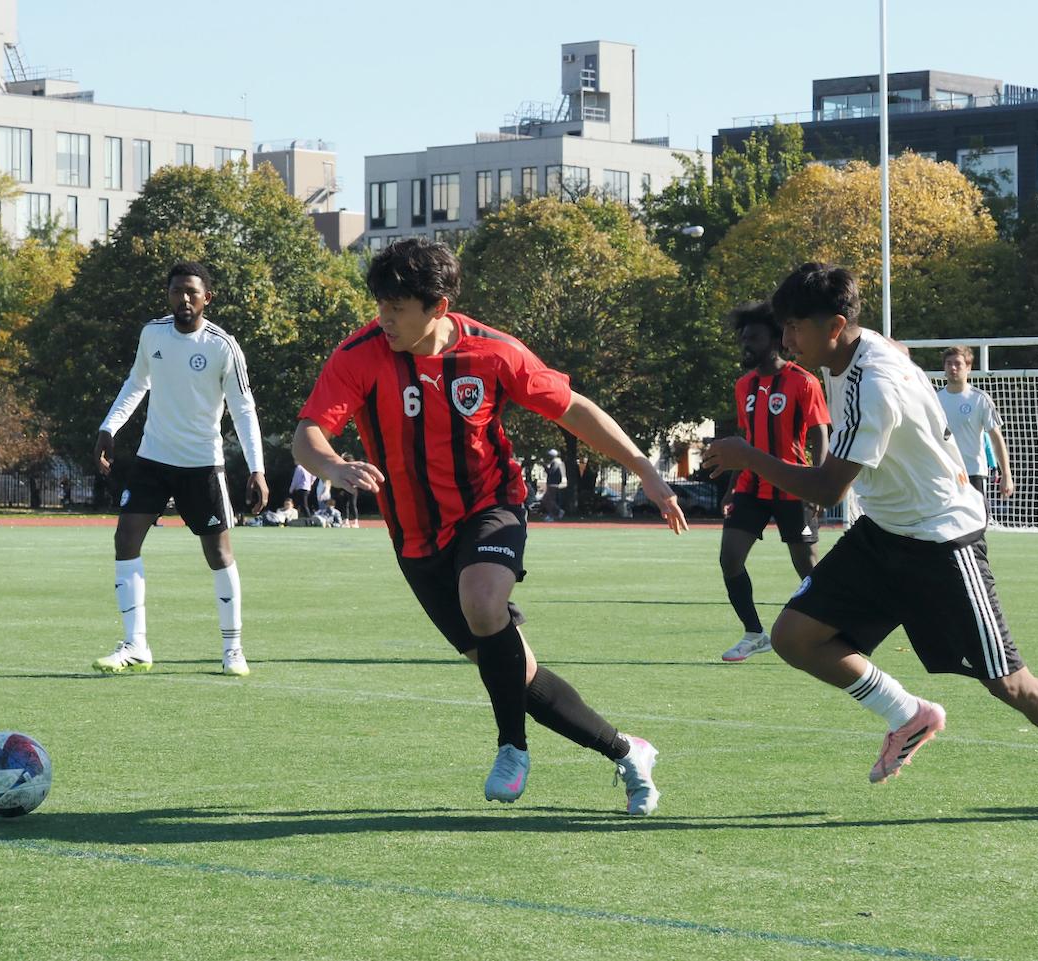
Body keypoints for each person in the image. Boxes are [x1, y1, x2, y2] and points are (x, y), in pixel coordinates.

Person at [703, 262, 1038, 826]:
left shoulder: (874, 385)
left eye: (794, 330)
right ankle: (908, 715)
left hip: (942, 541)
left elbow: (829, 486)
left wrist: (745, 455)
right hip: (882, 533)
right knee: (795, 636)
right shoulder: (848, 350)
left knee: (1008, 682)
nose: (785, 342)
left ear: (834, 325)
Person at [292, 237, 688, 815]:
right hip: (415, 539)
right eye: (380, 306)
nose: (384, 319)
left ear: (439, 307)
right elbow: (309, 432)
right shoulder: (359, 353)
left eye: (396, 310)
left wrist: (644, 470)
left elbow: (573, 408)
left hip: (490, 507)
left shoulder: (494, 353)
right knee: (514, 674)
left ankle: (511, 747)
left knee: (482, 600)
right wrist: (331, 465)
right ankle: (628, 751)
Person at [92, 261, 268, 678]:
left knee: (219, 553)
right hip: (153, 459)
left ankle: (233, 648)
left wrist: (257, 469)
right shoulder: (152, 334)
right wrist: (108, 427)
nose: (183, 299)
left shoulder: (223, 346)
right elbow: (138, 382)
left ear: (208, 297)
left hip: (202, 465)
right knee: (126, 538)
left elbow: (243, 410)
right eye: (176, 291)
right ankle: (136, 645)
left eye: (191, 291)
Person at [717, 301, 831, 664]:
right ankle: (754, 633)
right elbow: (745, 439)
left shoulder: (803, 381)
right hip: (751, 487)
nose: (746, 345)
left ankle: (832, 628)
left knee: (807, 567)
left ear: (775, 339)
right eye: (744, 338)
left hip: (794, 484)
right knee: (730, 558)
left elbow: (820, 435)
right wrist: (733, 487)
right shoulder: (743, 386)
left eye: (753, 338)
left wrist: (820, 481)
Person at [935, 345, 1014, 506]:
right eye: (949, 363)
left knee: (976, 528)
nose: (953, 368)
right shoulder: (934, 399)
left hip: (973, 473)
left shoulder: (980, 399)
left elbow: (996, 438)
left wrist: (1006, 474)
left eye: (958, 363)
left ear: (968, 368)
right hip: (943, 473)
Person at [540, 449, 568, 521]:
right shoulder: (557, 462)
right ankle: (555, 512)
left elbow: (551, 472)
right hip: (553, 483)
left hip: (553, 484)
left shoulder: (556, 462)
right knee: (547, 500)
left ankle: (554, 514)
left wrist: (544, 466)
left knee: (549, 500)